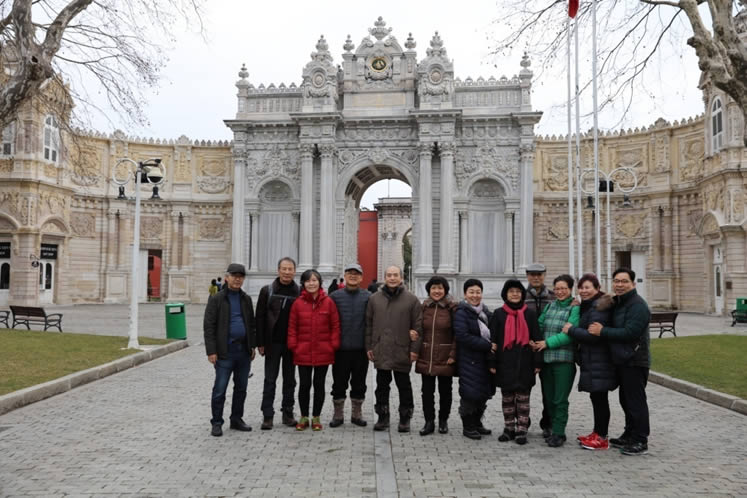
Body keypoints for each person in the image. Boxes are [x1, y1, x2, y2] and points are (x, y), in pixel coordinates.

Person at [588, 267, 651, 456]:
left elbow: (631, 332)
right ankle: (630, 433)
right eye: (617, 281)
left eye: (624, 281)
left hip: (635, 359)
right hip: (622, 359)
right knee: (626, 400)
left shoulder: (638, 305)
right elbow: (599, 303)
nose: (620, 285)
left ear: (633, 283)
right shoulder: (620, 302)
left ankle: (640, 439)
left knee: (635, 401)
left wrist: (602, 331)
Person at [365, 265, 423, 433]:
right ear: (384, 278)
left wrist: (414, 350)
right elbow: (368, 325)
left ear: (401, 277)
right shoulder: (374, 299)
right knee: (381, 386)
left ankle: (405, 417)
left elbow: (418, 327)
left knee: (404, 386)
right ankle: (382, 416)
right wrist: (369, 346)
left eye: (395, 275)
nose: (392, 278)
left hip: (402, 349)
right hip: (381, 348)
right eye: (389, 275)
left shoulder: (411, 300)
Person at [563, 273, 616, 450]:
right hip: (593, 359)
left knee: (600, 398)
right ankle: (597, 432)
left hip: (600, 359)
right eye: (581, 287)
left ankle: (601, 437)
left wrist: (571, 330)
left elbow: (593, 336)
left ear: (597, 288)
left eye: (587, 287)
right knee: (596, 397)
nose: (583, 291)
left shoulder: (600, 307)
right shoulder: (590, 306)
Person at [203, 263, 256, 437]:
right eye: (234, 276)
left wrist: (252, 346)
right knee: (220, 389)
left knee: (241, 388)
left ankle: (236, 419)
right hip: (225, 351)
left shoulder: (246, 299)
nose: (237, 279)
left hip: (243, 352)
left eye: (241, 277)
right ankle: (217, 422)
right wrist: (211, 351)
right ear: (227, 278)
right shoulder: (217, 299)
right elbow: (209, 326)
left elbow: (251, 324)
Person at [489, 280, 542, 445]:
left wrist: (537, 363)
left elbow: (537, 338)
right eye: (511, 291)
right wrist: (492, 362)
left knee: (523, 399)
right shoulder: (498, 314)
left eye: (518, 291)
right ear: (505, 294)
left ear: (522, 294)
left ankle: (522, 430)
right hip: (504, 362)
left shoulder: (530, 314)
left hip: (525, 362)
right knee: (507, 399)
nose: (515, 294)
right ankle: (509, 428)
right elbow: (493, 340)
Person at [287, 269, 340, 431]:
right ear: (303, 284)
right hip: (303, 351)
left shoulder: (328, 302)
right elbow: (292, 327)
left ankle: (316, 417)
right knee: (304, 385)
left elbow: (335, 325)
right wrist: (293, 345)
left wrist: (333, 345)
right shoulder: (298, 303)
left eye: (314, 280)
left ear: (320, 282)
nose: (311, 283)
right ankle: (304, 417)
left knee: (319, 385)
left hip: (323, 350)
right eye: (308, 281)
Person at [532, 274, 580, 447]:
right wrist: (533, 339)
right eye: (557, 288)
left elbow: (569, 334)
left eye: (564, 288)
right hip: (546, 361)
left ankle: (559, 432)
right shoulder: (550, 306)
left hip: (564, 361)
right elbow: (539, 325)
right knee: (549, 398)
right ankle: (552, 428)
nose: (560, 292)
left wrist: (547, 343)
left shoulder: (575, 309)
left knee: (560, 399)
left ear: (570, 289)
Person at [256, 257, 300, 430]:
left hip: (291, 344)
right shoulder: (267, 291)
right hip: (272, 343)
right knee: (270, 380)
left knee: (290, 381)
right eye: (284, 269)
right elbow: (259, 318)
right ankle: (267, 415)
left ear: (294, 271)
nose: (287, 272)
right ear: (278, 270)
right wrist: (260, 342)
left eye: (290, 269)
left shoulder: (299, 292)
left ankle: (288, 413)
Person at [328, 263, 371, 428]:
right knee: (339, 383)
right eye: (350, 273)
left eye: (357, 274)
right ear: (344, 276)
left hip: (361, 349)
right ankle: (338, 414)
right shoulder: (334, 297)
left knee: (359, 383)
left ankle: (356, 413)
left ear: (361, 277)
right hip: (341, 349)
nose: (353, 276)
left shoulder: (368, 297)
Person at [415, 276, 457, 436]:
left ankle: (443, 420)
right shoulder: (424, 307)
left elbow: (457, 334)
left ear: (445, 290)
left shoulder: (452, 308)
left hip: (446, 356)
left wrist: (453, 353)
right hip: (426, 355)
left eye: (440, 288)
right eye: (433, 288)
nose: (437, 291)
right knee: (427, 392)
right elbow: (418, 329)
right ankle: (429, 422)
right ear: (429, 290)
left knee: (445, 391)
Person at [454, 279, 494, 440]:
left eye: (478, 292)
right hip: (469, 360)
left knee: (483, 393)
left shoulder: (485, 312)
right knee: (469, 394)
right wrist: (488, 345)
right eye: (471, 292)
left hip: (483, 360)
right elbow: (462, 336)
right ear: (465, 294)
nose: (475, 295)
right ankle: (468, 426)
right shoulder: (461, 312)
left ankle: (477, 423)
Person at [525, 262, 555, 439]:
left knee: (548, 390)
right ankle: (524, 420)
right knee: (524, 388)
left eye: (539, 274)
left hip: (547, 347)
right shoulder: (520, 296)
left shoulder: (553, 297)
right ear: (527, 276)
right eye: (532, 274)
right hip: (526, 349)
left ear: (544, 275)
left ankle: (548, 423)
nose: (536, 278)